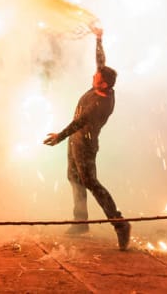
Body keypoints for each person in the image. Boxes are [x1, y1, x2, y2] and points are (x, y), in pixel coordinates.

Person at [43, 25, 131, 251]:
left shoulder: (99, 104)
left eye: (96, 77)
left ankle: (119, 223)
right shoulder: (103, 87)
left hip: (85, 145)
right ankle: (81, 222)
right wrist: (99, 39)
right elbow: (101, 63)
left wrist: (58, 137)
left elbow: (78, 123)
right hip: (76, 141)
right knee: (74, 178)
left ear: (103, 84)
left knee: (91, 183)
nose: (93, 75)